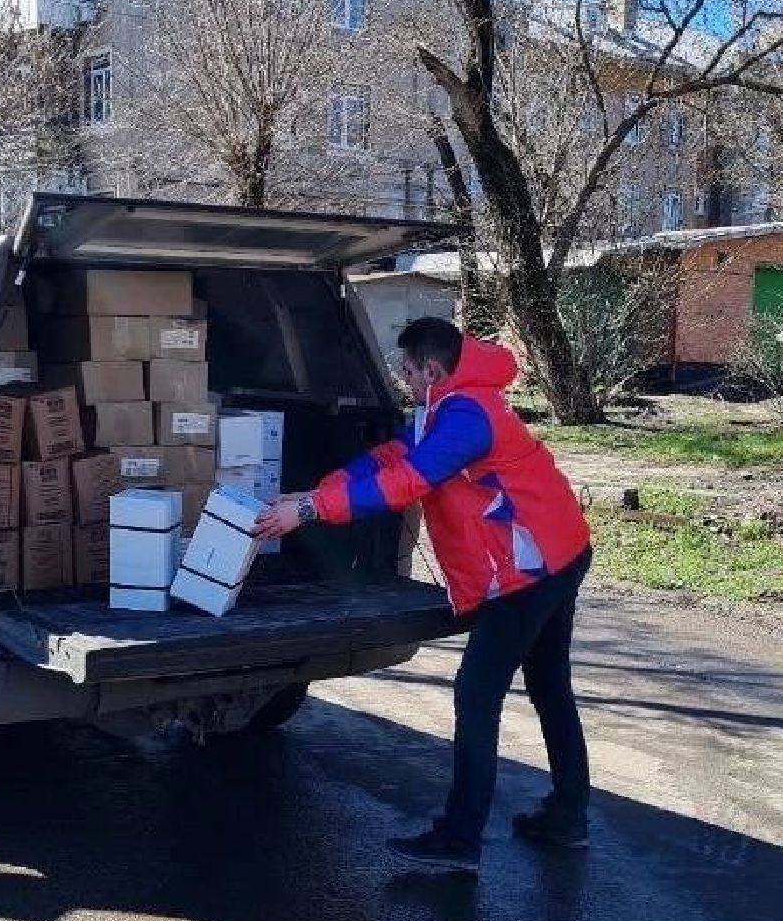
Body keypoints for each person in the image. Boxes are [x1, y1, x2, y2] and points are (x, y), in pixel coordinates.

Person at [253, 316, 593, 873]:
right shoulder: (452, 404)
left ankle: (460, 839)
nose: (404, 381)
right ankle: (567, 815)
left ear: (431, 370)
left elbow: (409, 482)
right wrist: (320, 490)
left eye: (408, 372)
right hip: (559, 552)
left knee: (478, 694)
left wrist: (309, 511)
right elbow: (393, 457)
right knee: (550, 686)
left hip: (531, 571)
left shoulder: (467, 418)